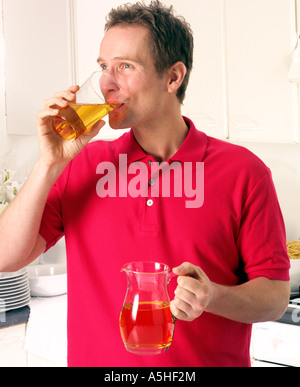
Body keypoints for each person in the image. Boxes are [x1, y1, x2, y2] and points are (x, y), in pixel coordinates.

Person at [0, 1, 290, 367]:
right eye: (103, 67)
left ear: (173, 78)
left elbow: (276, 295)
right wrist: (49, 163)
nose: (106, 83)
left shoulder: (244, 173)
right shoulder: (82, 164)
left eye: (125, 66)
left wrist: (212, 296)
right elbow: (5, 257)